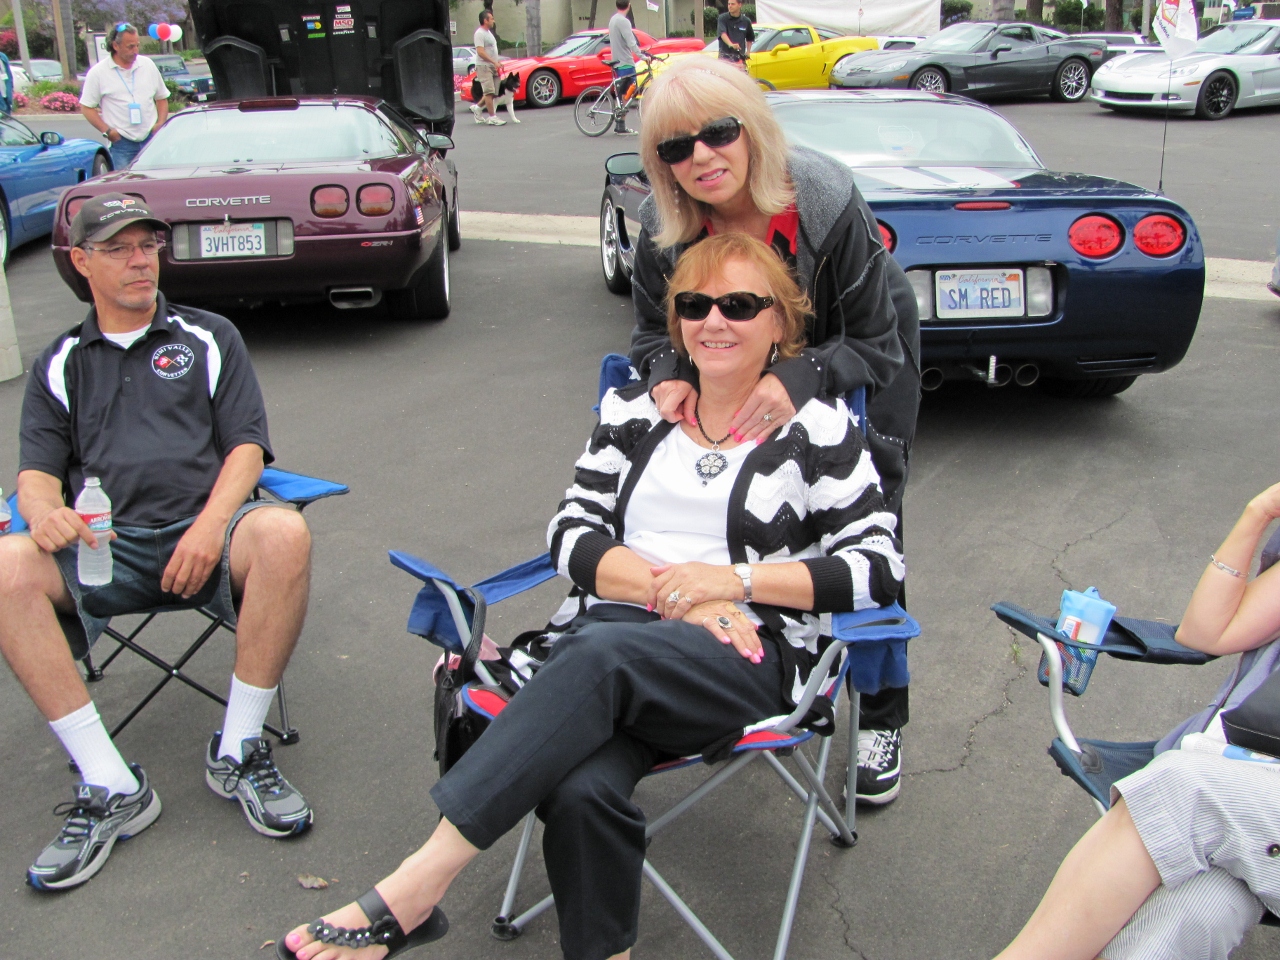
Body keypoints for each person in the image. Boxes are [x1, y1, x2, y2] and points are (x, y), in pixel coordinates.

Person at [274, 232, 904, 960]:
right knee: (580, 789)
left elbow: (876, 568)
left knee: (602, 656)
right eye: (695, 305)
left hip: (745, 655)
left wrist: (732, 584)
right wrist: (683, 595)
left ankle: (417, 888)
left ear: (780, 324)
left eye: (739, 304)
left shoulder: (819, 429)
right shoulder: (637, 412)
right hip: (607, 648)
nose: (715, 321)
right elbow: (571, 537)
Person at [629, 55, 921, 806]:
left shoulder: (819, 197)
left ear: (751, 129)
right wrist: (664, 368)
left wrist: (799, 376)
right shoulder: (662, 231)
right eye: (675, 147)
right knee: (746, 524)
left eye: (717, 132)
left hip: (851, 355)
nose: (700, 156)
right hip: (738, 366)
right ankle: (764, 670)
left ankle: (882, 714)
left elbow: (875, 345)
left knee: (867, 532)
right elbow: (645, 337)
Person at [0, 194, 314, 891]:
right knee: (6, 563)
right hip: (101, 552)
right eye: (117, 249)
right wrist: (45, 510)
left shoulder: (207, 337)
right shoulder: (61, 362)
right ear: (81, 263)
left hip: (206, 542)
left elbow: (247, 451)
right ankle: (112, 784)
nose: (141, 260)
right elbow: (34, 474)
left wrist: (208, 527)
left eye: (147, 244)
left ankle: (238, 748)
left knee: (285, 532)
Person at [994, 483, 1280, 960]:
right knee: (1188, 918)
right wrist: (1259, 513)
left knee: (1178, 785)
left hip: (1217, 787)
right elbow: (1205, 631)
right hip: (1243, 784)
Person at [79, 23, 169, 168]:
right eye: (130, 46)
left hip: (150, 138)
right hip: (122, 142)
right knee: (127, 186)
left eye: (137, 45)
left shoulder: (147, 65)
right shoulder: (98, 73)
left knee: (155, 183)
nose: (135, 50)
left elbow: (162, 98)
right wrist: (107, 131)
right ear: (115, 46)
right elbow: (86, 107)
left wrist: (160, 123)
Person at [607, 0, 648, 136]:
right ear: (628, 6)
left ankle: (620, 123)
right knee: (628, 92)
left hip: (617, 61)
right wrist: (642, 56)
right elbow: (631, 42)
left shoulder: (613, 19)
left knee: (622, 93)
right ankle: (621, 125)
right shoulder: (624, 22)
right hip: (626, 62)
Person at [470, 11, 506, 127]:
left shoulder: (488, 33)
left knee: (493, 92)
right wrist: (493, 61)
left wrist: (497, 62)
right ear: (485, 20)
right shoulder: (479, 34)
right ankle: (492, 117)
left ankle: (477, 108)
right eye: (491, 18)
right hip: (484, 66)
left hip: (492, 65)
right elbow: (480, 52)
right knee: (489, 92)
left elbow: (491, 50)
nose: (493, 20)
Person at [717, 0, 754, 64]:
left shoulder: (746, 21)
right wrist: (731, 44)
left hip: (739, 59)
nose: (730, 6)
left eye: (733, 4)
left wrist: (748, 52)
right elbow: (723, 34)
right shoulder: (722, 18)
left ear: (739, 5)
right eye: (729, 4)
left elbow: (750, 38)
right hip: (725, 59)